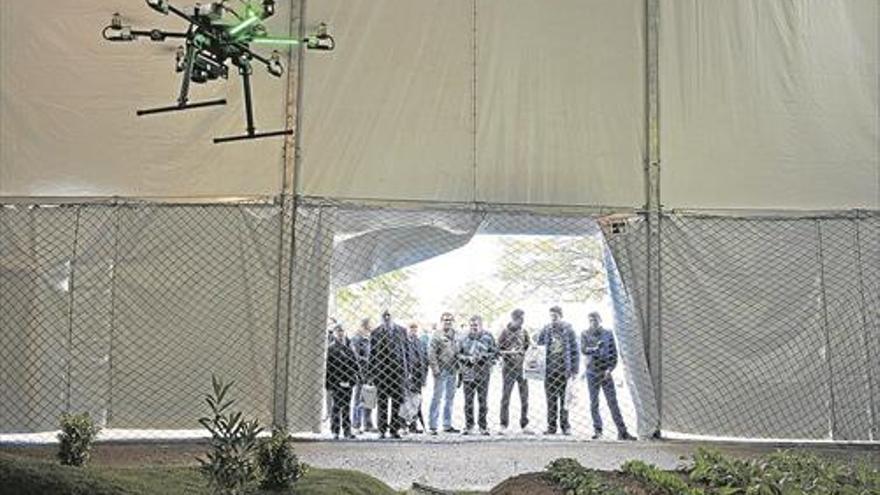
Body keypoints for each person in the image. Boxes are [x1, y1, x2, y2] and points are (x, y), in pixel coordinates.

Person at [582, 312, 635, 441]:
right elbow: (584, 350)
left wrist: (610, 369)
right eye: (590, 321)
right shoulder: (585, 333)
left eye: (595, 320)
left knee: (613, 402)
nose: (593, 323)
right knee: (594, 402)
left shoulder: (608, 333)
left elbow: (614, 354)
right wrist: (595, 348)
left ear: (600, 320)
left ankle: (622, 432)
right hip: (592, 372)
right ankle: (598, 430)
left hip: (605, 372)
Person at [537, 306, 579, 435]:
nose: (553, 319)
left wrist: (575, 369)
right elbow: (539, 347)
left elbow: (575, 350)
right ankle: (551, 426)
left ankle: (565, 426)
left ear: (561, 316)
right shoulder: (546, 330)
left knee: (564, 399)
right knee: (551, 400)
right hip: (549, 370)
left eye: (555, 316)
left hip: (563, 370)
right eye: (551, 316)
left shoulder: (568, 330)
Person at [369, 310, 411, 439]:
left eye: (389, 315)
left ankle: (394, 429)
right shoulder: (375, 332)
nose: (387, 318)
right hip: (381, 372)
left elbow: (406, 352)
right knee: (382, 402)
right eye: (384, 316)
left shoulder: (402, 331)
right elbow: (372, 354)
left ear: (393, 317)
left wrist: (408, 370)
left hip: (397, 372)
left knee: (397, 401)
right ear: (381, 317)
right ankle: (382, 429)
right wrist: (370, 373)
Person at [457, 315, 497, 436]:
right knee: (468, 400)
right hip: (468, 370)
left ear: (481, 325)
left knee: (483, 400)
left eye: (476, 325)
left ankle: (483, 426)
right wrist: (468, 358)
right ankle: (469, 426)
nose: (474, 328)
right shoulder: (463, 337)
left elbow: (495, 352)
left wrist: (484, 356)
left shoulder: (488, 337)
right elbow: (458, 354)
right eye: (472, 325)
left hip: (483, 371)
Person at [498, 308, 532, 434]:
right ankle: (503, 424)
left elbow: (528, 347)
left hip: (522, 369)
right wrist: (509, 352)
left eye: (523, 319)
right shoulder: (504, 332)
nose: (522, 321)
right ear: (513, 319)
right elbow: (497, 350)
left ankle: (524, 424)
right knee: (506, 397)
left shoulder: (524, 331)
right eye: (520, 319)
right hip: (508, 368)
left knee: (525, 397)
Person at [325, 324, 360, 439]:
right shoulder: (331, 348)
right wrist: (331, 383)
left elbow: (355, 365)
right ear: (335, 333)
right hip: (336, 381)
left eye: (342, 331)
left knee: (346, 406)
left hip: (348, 381)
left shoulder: (350, 347)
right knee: (336, 406)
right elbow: (329, 368)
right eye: (338, 331)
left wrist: (353, 379)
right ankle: (335, 430)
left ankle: (347, 430)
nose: (340, 333)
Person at [428, 312, 460, 435]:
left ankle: (447, 424)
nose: (448, 322)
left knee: (449, 398)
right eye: (445, 320)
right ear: (441, 321)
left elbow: (459, 351)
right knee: (437, 397)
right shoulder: (436, 335)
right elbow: (431, 354)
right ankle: (433, 425)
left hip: (453, 370)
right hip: (441, 370)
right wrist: (435, 370)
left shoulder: (456, 335)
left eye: (450, 320)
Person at [350, 317, 374, 433]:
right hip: (361, 372)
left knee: (369, 397)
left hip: (370, 373)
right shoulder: (357, 338)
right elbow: (355, 356)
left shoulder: (371, 338)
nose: (372, 326)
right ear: (365, 325)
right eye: (370, 324)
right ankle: (356, 423)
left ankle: (368, 424)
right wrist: (368, 360)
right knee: (359, 398)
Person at [405, 322, 429, 433]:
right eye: (411, 328)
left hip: (418, 377)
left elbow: (424, 360)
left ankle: (414, 424)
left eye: (415, 329)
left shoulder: (419, 343)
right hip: (408, 376)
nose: (413, 331)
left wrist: (424, 378)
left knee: (417, 402)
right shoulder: (404, 343)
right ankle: (406, 424)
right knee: (407, 401)